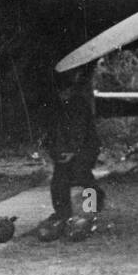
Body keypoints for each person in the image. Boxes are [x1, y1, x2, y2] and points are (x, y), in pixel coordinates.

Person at [38, 72, 105, 242]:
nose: (63, 95)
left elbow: (80, 132)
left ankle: (94, 202)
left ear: (70, 90)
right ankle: (63, 215)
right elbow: (53, 132)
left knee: (81, 175)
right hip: (65, 150)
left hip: (84, 149)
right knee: (59, 182)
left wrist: (73, 152)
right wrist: (54, 152)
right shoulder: (56, 106)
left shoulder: (79, 105)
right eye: (60, 93)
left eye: (65, 91)